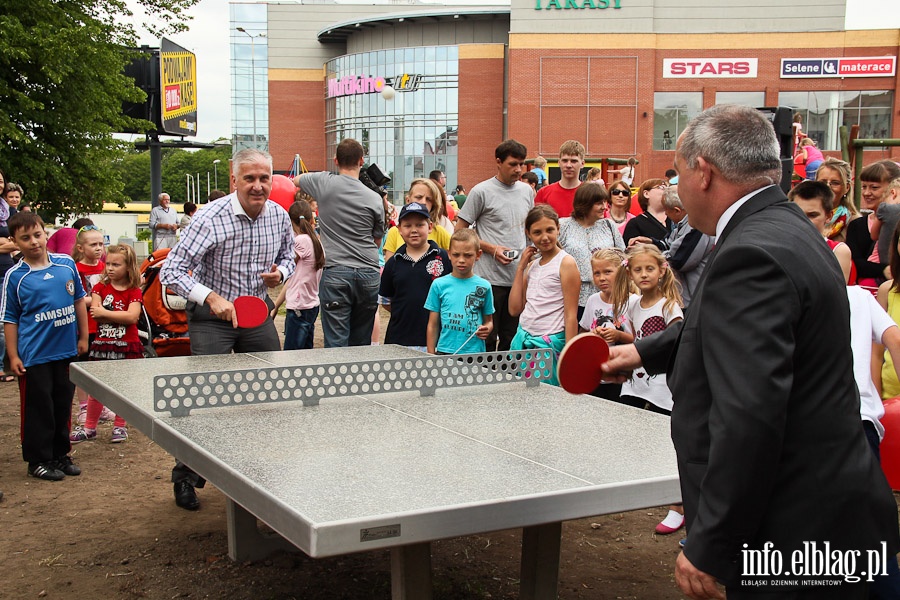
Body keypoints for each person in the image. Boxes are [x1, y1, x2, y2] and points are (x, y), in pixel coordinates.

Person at [603, 104, 900, 599]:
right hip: (835, 507)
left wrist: (713, 540)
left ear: (704, 172)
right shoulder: (786, 229)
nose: (675, 187)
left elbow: (750, 415)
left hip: (789, 530)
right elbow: (731, 326)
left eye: (678, 173)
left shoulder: (749, 252)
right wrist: (644, 352)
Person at [161, 148, 295, 510]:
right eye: (249, 178)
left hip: (254, 318)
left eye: (264, 178)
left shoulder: (279, 217)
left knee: (271, 393)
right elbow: (170, 272)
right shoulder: (208, 219)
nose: (257, 185)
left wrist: (279, 273)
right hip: (211, 320)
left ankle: (259, 470)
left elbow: (289, 257)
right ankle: (186, 476)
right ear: (234, 180)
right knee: (206, 401)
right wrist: (211, 298)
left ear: (272, 179)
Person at [1, 211, 88, 481]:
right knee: (39, 408)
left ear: (45, 233)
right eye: (25, 238)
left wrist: (83, 337)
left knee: (62, 404)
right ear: (15, 241)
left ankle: (61, 455)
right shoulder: (15, 276)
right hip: (34, 356)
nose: (34, 242)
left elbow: (79, 302)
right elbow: (10, 319)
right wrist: (13, 355)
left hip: (66, 351)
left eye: (37, 235)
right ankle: (38, 459)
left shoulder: (65, 265)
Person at [610, 243, 684, 535]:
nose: (643, 274)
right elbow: (636, 339)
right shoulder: (632, 304)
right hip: (637, 380)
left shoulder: (669, 306)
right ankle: (652, 490)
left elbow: (678, 341)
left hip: (664, 384)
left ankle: (678, 505)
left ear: (661, 270)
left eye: (649, 268)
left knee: (670, 444)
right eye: (637, 269)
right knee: (636, 435)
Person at [294, 139, 384, 348]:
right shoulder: (374, 197)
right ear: (362, 160)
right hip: (368, 273)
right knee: (361, 343)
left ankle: (336, 380)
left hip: (336, 272)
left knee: (336, 343)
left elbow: (296, 180)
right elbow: (377, 239)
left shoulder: (324, 182)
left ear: (335, 160)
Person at [455, 139, 534, 352]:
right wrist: (492, 249)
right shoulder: (481, 191)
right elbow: (460, 231)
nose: (518, 169)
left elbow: (530, 229)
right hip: (488, 280)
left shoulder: (527, 192)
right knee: (486, 337)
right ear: (498, 162)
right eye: (513, 164)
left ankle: (509, 383)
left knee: (513, 338)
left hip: (518, 278)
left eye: (522, 164)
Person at [70, 244, 142, 444]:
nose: (110, 268)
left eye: (116, 264)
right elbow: (95, 311)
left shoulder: (134, 290)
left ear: (128, 267)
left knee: (123, 388)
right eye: (108, 263)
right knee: (97, 388)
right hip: (103, 345)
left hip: (126, 345)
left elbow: (132, 316)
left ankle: (120, 426)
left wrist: (106, 314)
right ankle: (89, 427)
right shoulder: (100, 287)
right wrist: (117, 315)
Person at [508, 205, 580, 386]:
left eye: (549, 230)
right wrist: (521, 268)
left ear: (558, 228)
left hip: (548, 344)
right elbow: (515, 308)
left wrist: (570, 358)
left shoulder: (566, 263)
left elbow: (571, 314)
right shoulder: (533, 266)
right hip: (524, 341)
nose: (545, 237)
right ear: (529, 234)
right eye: (537, 232)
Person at [380, 202, 452, 351]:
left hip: (436, 341)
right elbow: (386, 301)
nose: (414, 230)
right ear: (399, 229)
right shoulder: (393, 262)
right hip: (399, 338)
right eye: (408, 226)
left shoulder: (443, 258)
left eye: (420, 225)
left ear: (430, 227)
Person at [558, 183, 625, 318]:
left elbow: (622, 257)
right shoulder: (563, 225)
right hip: (571, 295)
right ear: (585, 203)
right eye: (599, 203)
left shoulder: (608, 225)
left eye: (605, 202)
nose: (604, 207)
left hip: (606, 295)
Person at [425, 229, 494, 354]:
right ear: (449, 254)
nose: (461, 260)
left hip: (474, 353)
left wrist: (487, 328)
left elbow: (488, 320)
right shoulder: (439, 285)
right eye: (456, 255)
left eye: (467, 255)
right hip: (444, 350)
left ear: (478, 255)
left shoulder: (484, 287)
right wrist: (430, 354)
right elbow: (433, 324)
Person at [578, 247, 632, 401]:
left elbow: (640, 341)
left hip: (622, 374)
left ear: (621, 272)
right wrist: (592, 335)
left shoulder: (632, 302)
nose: (601, 278)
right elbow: (583, 332)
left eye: (607, 272)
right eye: (597, 273)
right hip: (596, 371)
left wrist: (618, 335)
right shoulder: (593, 300)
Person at [271, 200, 325, 351]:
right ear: (311, 220)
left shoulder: (300, 241)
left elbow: (285, 264)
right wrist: (276, 306)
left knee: (292, 354)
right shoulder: (316, 242)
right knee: (305, 353)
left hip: (298, 307)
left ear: (290, 221)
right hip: (311, 304)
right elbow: (293, 278)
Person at [71, 225, 108, 426]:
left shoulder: (106, 268)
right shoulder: (74, 270)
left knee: (102, 367)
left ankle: (101, 405)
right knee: (84, 368)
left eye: (101, 244)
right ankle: (84, 408)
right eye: (93, 244)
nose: (98, 248)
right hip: (85, 327)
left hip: (105, 327)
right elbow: (74, 299)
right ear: (80, 248)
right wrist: (92, 300)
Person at [846, 160, 900, 288]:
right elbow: (855, 261)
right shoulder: (857, 225)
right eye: (864, 187)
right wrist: (883, 269)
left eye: (874, 187)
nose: (866, 193)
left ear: (893, 189)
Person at [788, 180, 854, 284]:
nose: (804, 220)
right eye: (798, 213)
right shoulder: (781, 245)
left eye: (812, 215)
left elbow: (835, 294)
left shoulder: (838, 251)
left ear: (828, 216)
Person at [662, 186, 715, 306]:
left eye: (666, 209)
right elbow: (668, 244)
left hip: (693, 298)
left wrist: (654, 257)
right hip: (687, 296)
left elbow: (679, 260)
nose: (665, 213)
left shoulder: (699, 224)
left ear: (677, 210)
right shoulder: (684, 224)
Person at [383, 179, 451, 263]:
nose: (423, 202)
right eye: (419, 197)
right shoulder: (394, 232)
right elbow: (389, 269)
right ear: (408, 200)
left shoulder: (439, 231)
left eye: (428, 199)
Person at [0, 170, 20, 384]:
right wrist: (8, 244)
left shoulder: (8, 211)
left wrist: (7, 244)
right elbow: (13, 242)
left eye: (1, 180)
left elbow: (17, 241)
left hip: (5, 270)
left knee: (5, 319)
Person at [534, 140, 585, 218]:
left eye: (573, 161)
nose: (568, 165)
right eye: (565, 161)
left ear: (582, 164)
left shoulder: (590, 194)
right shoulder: (543, 193)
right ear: (559, 163)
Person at [815, 157, 858, 242]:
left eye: (835, 183)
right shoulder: (805, 216)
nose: (827, 187)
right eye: (822, 182)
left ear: (847, 188)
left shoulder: (854, 222)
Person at [622, 178, 672, 249]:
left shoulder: (677, 218)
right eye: (661, 187)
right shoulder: (635, 224)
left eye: (667, 187)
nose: (666, 191)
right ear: (646, 194)